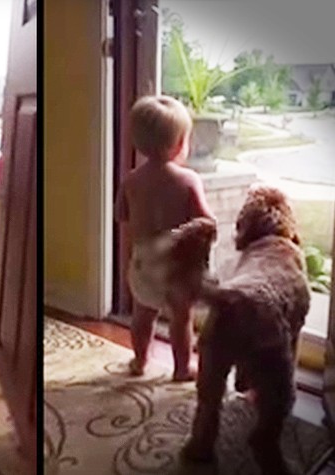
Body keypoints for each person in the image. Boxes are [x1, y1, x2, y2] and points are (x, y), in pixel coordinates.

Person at [115, 95, 215, 382]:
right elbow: (206, 221)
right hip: (174, 266)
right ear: (180, 143)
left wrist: (129, 261)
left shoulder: (131, 180)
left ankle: (139, 360)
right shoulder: (188, 180)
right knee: (180, 318)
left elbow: (122, 217)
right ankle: (182, 368)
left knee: (142, 314)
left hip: (143, 262)